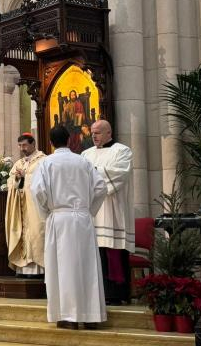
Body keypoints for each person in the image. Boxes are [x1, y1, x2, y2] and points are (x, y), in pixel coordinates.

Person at [30, 125, 107, 330]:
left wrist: (47, 213)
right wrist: (88, 210)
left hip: (60, 218)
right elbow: (101, 188)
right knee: (86, 265)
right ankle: (91, 316)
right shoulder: (84, 161)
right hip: (82, 219)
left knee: (63, 268)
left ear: (51, 142)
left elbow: (38, 192)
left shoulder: (47, 163)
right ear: (70, 140)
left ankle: (68, 316)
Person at [81, 119, 135, 305]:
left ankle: (116, 293)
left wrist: (92, 173)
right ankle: (96, 293)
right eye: (92, 133)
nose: (93, 136)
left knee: (113, 252)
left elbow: (119, 173)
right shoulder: (85, 154)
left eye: (97, 132)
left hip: (113, 211)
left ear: (108, 133)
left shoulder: (122, 151)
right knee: (95, 253)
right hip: (92, 212)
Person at [5, 133, 47, 277]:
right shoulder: (19, 163)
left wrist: (26, 177)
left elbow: (44, 181)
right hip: (21, 206)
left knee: (36, 234)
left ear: (33, 144)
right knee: (22, 233)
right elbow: (10, 182)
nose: (22, 148)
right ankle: (22, 268)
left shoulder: (43, 160)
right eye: (20, 146)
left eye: (24, 145)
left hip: (35, 207)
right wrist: (16, 178)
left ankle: (38, 270)